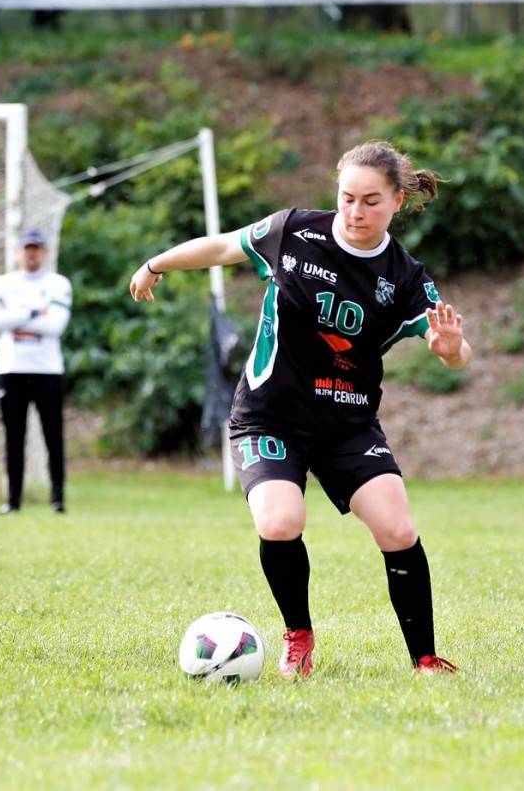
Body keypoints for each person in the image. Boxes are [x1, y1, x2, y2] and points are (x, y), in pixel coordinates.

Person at [129, 140, 472, 677]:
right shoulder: (293, 230)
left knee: (398, 530)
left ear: (397, 201)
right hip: (268, 415)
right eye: (347, 198)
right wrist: (156, 264)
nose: (356, 212)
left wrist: (450, 348)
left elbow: (455, 351)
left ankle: (425, 660)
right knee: (280, 520)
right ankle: (299, 636)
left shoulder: (405, 277)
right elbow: (221, 247)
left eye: (371, 202)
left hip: (347, 422)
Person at [0, 227, 73, 515]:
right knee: (14, 438)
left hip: (47, 370)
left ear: (44, 252)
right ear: (18, 252)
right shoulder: (1, 284)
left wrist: (13, 317)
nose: (31, 254)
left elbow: (55, 324)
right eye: (26, 249)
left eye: (36, 249)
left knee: (53, 437)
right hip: (12, 369)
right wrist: (33, 312)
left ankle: (58, 500)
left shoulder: (58, 284)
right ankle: (13, 501)